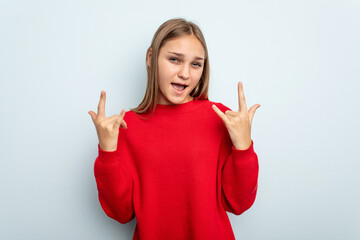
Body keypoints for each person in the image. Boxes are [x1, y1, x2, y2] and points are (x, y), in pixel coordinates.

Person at [88, 18, 261, 240]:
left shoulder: (222, 117)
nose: (185, 74)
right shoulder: (124, 126)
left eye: (196, 64)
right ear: (151, 58)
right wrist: (107, 153)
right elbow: (121, 213)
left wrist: (243, 147)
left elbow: (239, 204)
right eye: (174, 59)